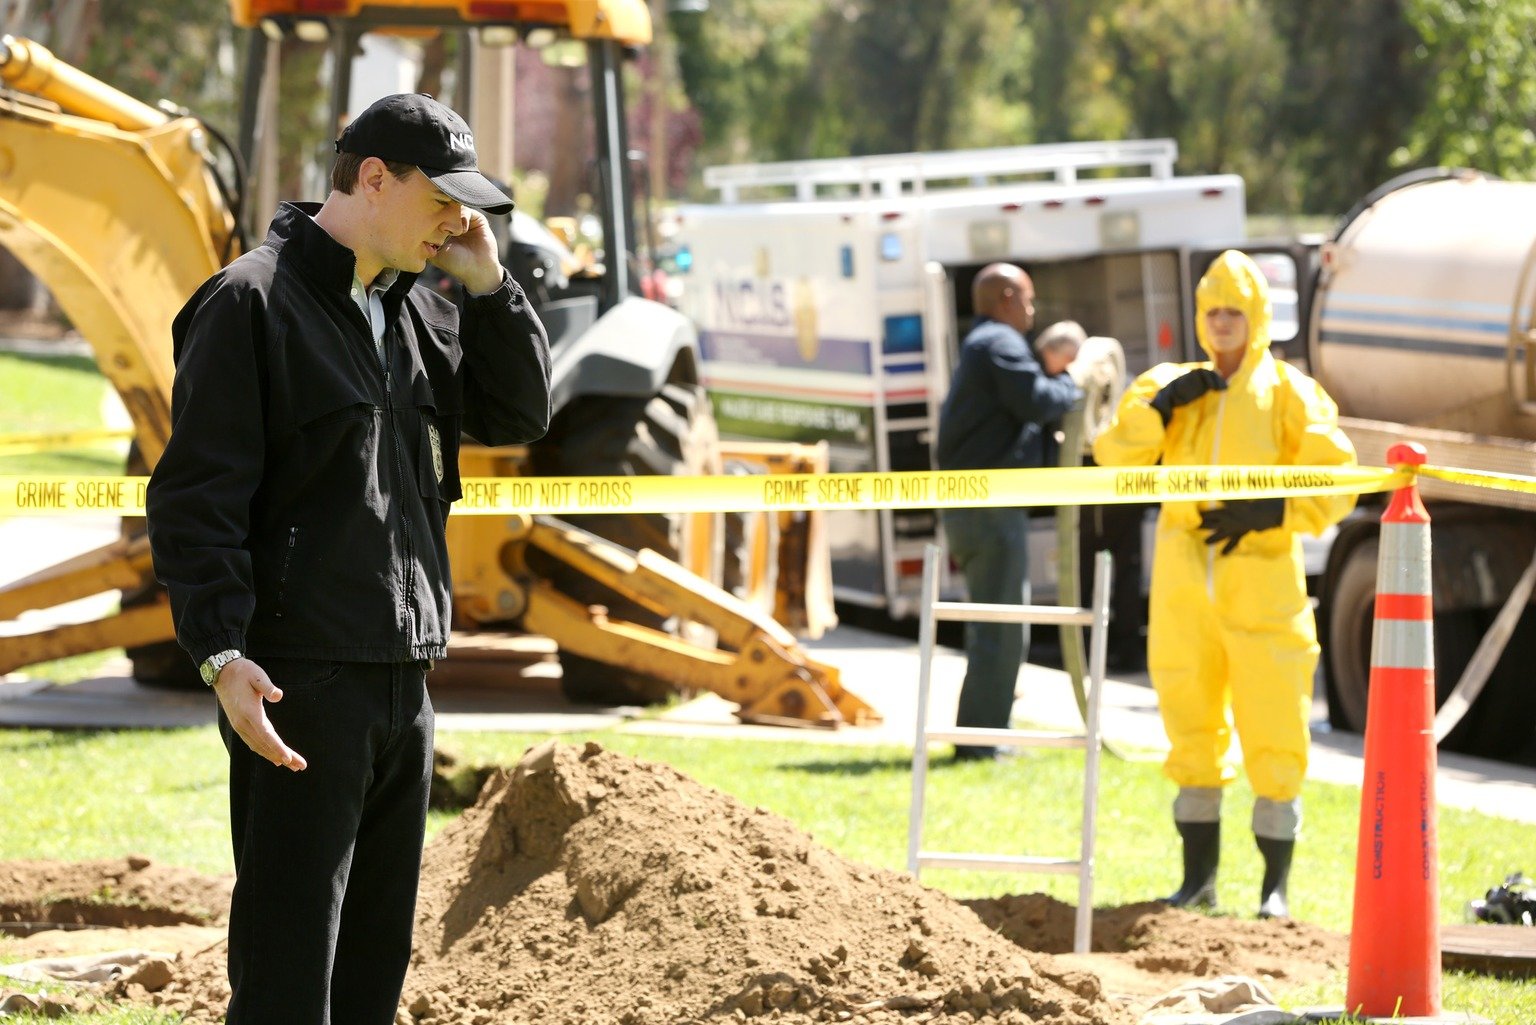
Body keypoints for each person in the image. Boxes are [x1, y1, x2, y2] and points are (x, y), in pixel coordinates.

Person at [146, 93, 552, 1023]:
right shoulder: (249, 302)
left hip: (406, 681)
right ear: (373, 178)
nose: (456, 222)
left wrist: (491, 285)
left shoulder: (421, 313)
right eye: (443, 199)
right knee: (289, 979)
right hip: (300, 683)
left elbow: (522, 413)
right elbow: (195, 498)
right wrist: (220, 653)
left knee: (372, 974)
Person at [1091, 250, 1356, 919]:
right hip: (1183, 581)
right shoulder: (1170, 385)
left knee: (1275, 727)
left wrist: (1276, 510)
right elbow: (1114, 456)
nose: (1223, 322)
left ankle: (1275, 890)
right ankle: (1197, 882)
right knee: (1190, 723)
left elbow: (1338, 477)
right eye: (1213, 310)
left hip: (1263, 580)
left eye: (1235, 310)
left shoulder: (1290, 392)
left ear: (1257, 315)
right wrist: (1158, 409)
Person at [935, 264, 1082, 762]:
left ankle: (989, 732)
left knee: (997, 624)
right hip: (989, 508)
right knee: (1001, 626)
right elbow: (1036, 400)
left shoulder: (985, 344)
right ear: (1005, 297)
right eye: (1028, 299)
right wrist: (1075, 386)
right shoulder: (999, 342)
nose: (1032, 310)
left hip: (981, 506)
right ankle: (982, 742)